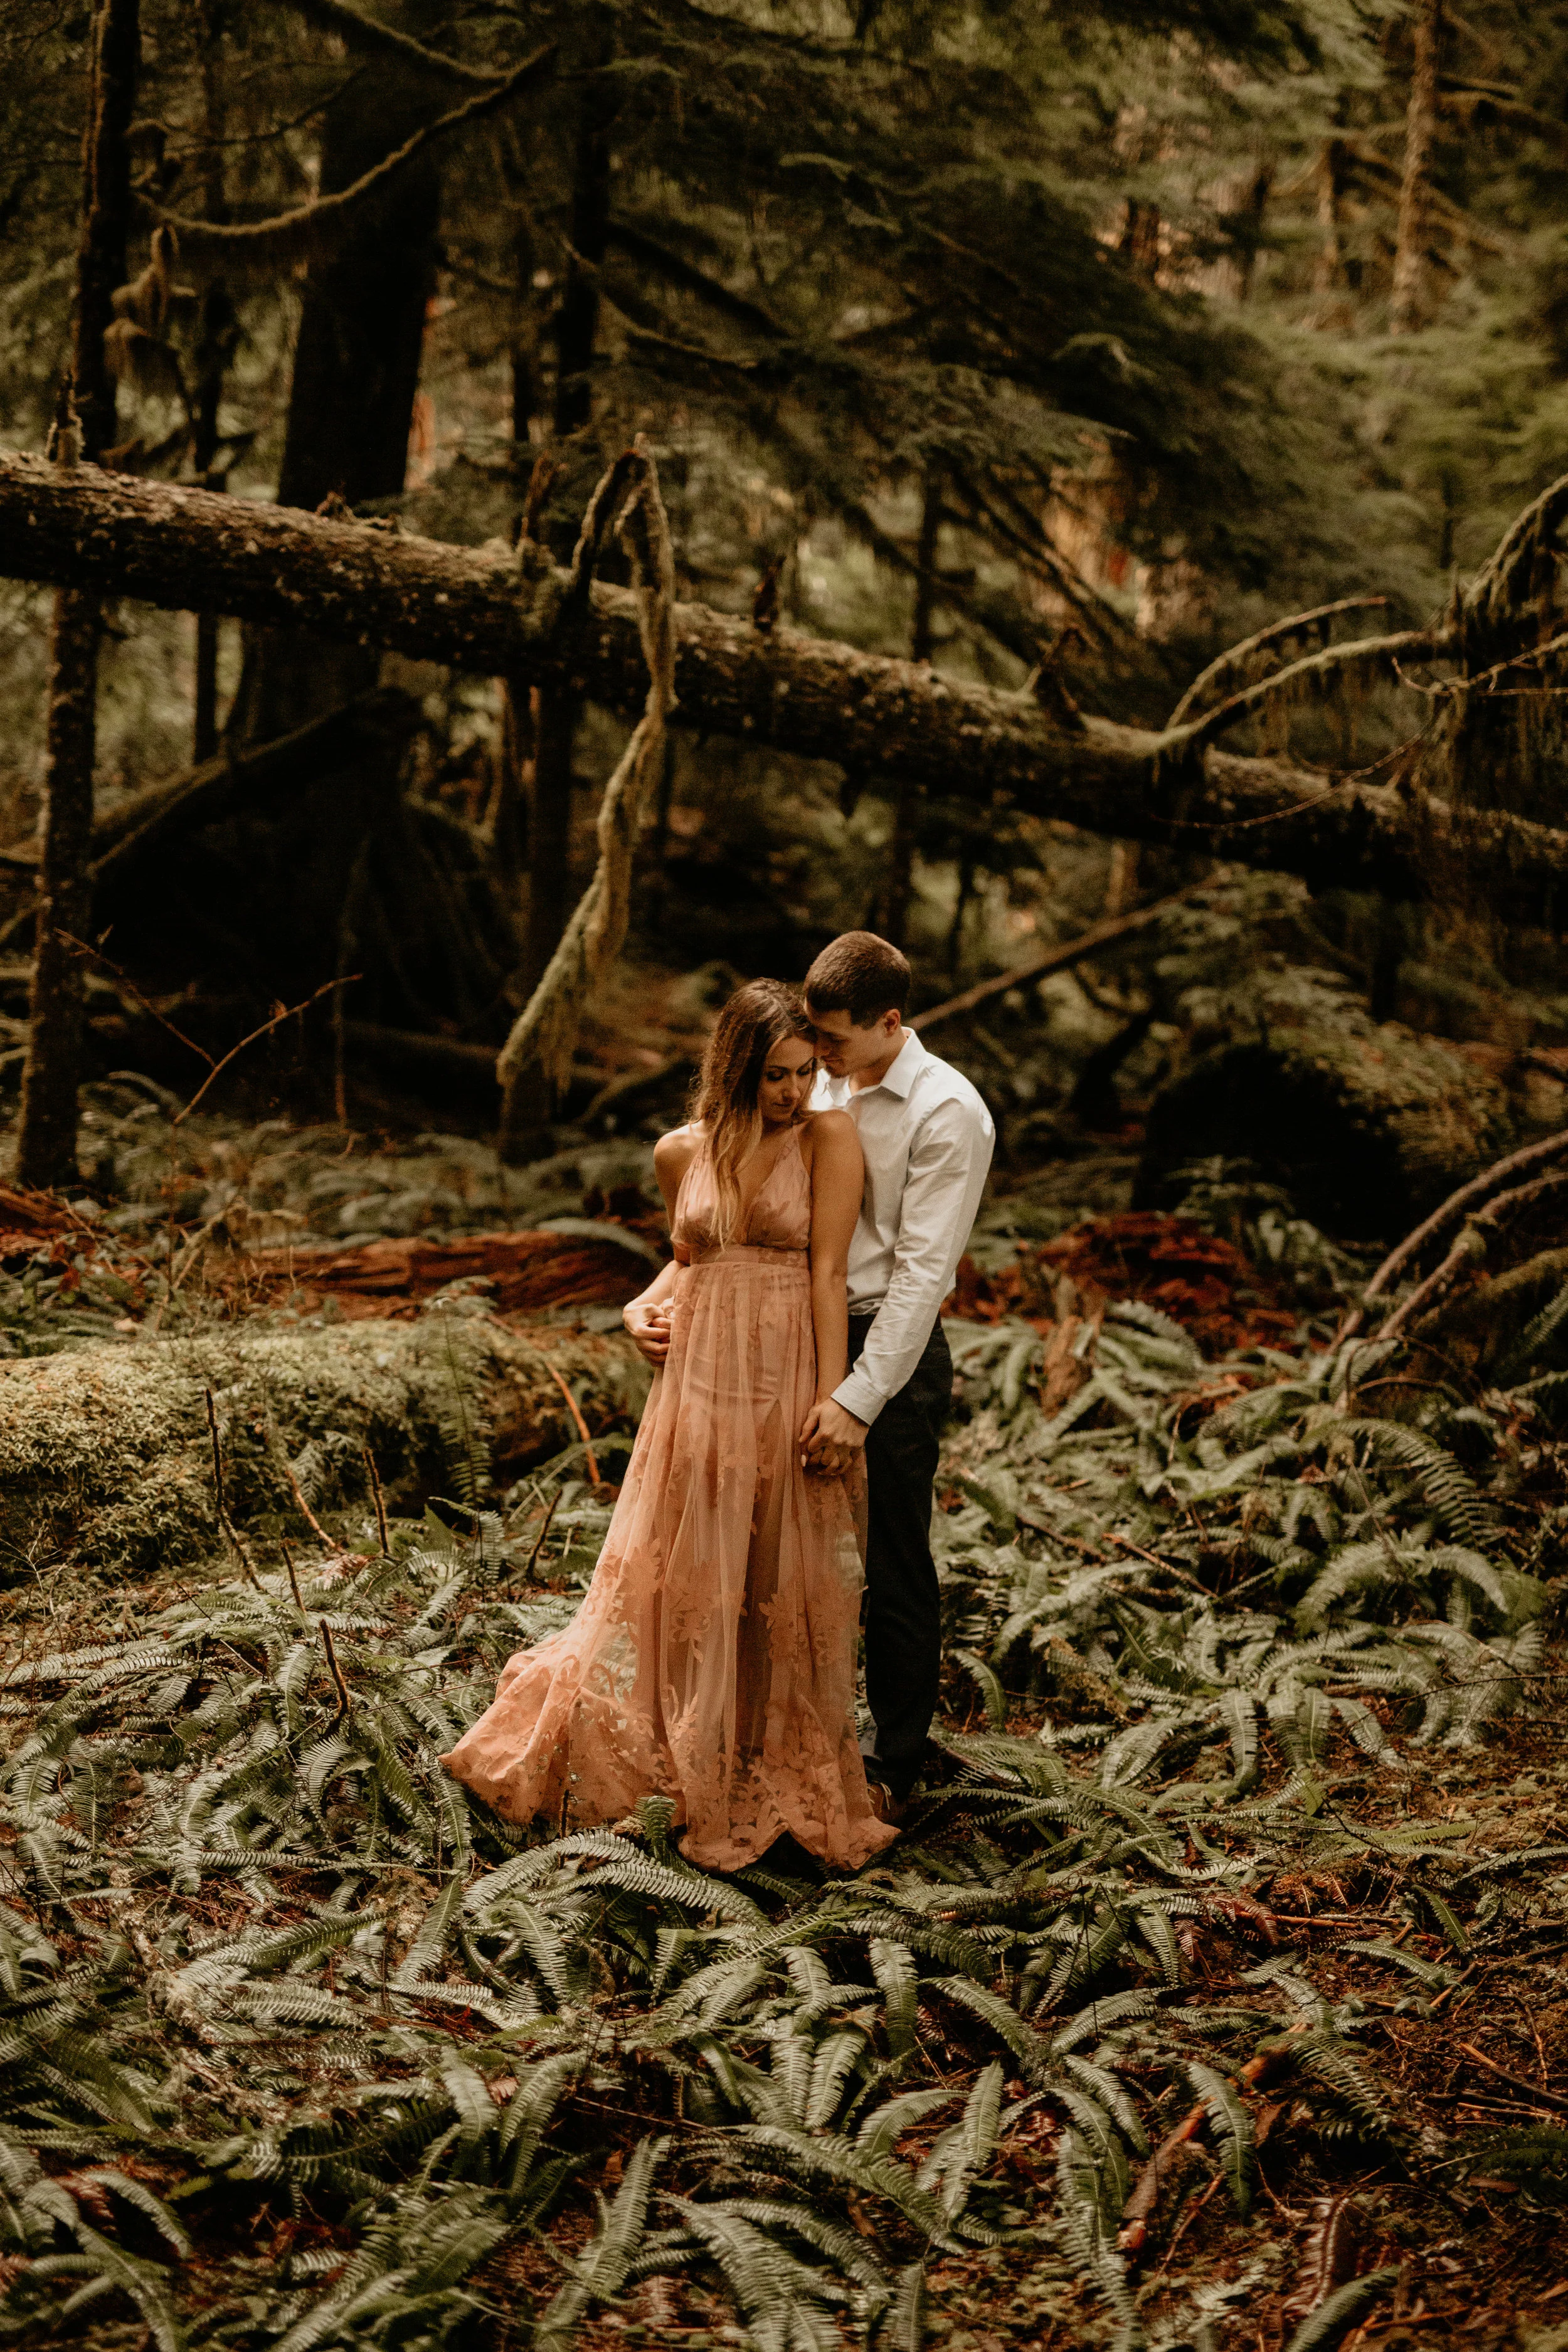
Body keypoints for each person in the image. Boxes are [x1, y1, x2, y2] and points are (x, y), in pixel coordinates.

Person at [442, 980, 896, 1873]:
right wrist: (634, 1307)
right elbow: (691, 1262)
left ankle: (761, 1757)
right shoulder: (680, 1152)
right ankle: (685, 1751)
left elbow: (830, 1269)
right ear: (734, 1069)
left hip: (784, 1374)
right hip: (697, 1384)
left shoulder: (828, 1138)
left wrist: (836, 1397)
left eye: (806, 1071)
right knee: (689, 1561)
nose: (793, 1091)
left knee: (771, 1561)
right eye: (774, 1075)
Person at [797, 932, 994, 1823]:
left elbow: (923, 1273)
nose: (821, 1056)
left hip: (891, 1352)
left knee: (891, 1561)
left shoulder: (949, 1111)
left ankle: (897, 1757)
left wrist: (857, 1397)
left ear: (891, 1022)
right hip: (799, 1331)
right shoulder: (818, 1077)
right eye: (815, 1037)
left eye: (836, 1039)